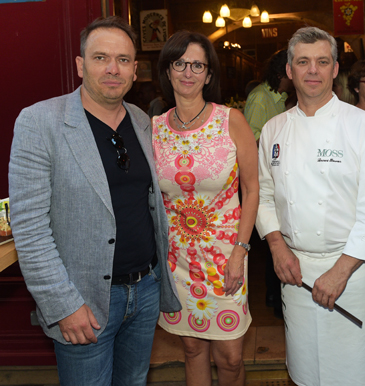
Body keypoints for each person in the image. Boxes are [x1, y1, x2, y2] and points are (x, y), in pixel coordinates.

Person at [8, 16, 181, 386]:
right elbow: (30, 229)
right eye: (101, 57)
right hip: (82, 300)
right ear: (80, 64)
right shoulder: (40, 122)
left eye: (122, 60)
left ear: (136, 70)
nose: (112, 69)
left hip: (146, 290)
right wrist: (63, 305)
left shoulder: (140, 120)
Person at [256, 26, 365, 386]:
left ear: (335, 70)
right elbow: (264, 197)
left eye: (322, 61)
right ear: (289, 70)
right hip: (295, 271)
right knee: (304, 371)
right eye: (303, 62)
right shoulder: (273, 130)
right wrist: (276, 247)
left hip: (350, 270)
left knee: (353, 373)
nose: (312, 70)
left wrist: (341, 271)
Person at [154, 30, 259, 386]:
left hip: (226, 255)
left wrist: (240, 252)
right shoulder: (152, 129)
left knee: (230, 358)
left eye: (197, 64)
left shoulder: (231, 120)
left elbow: (252, 187)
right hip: (177, 259)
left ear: (209, 74)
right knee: (191, 349)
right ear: (167, 71)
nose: (188, 72)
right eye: (179, 63)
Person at [243, 49, 293, 319]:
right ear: (282, 72)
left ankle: (279, 293)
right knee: (270, 235)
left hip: (281, 178)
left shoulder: (282, 99)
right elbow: (250, 141)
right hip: (263, 178)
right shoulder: (260, 98)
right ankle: (274, 296)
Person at [244, 49, 294, 142]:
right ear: (280, 75)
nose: (294, 79)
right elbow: (251, 138)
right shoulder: (260, 97)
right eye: (292, 75)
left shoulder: (281, 96)